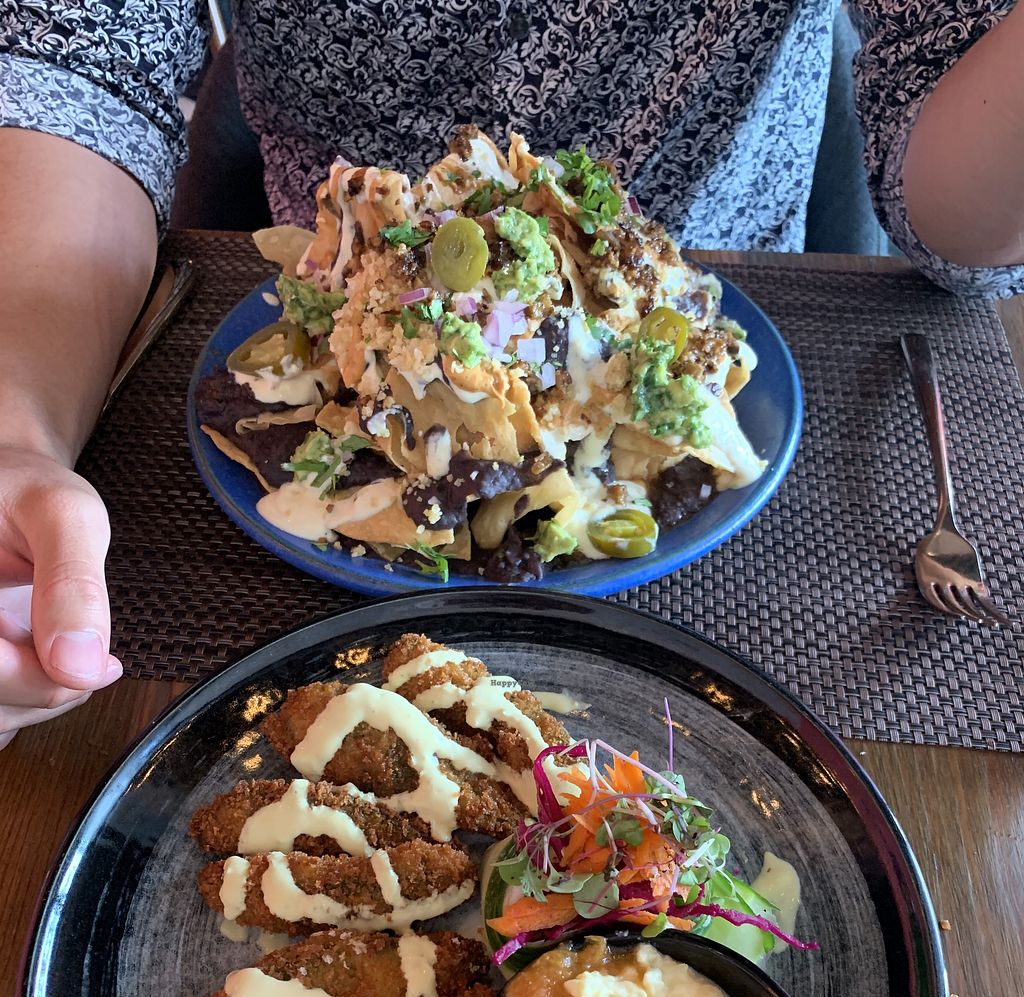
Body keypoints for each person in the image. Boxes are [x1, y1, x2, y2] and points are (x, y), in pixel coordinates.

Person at [0, 0, 1022, 748]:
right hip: (327, 344)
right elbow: (74, 65)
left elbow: (958, 218)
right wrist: (17, 430)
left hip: (717, 363)